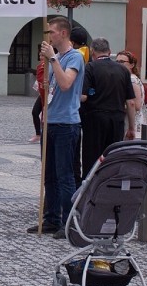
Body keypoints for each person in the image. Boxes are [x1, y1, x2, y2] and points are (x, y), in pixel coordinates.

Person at [27, 18, 85, 237]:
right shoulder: (57, 59)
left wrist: (52, 59)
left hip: (66, 123)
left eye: (51, 32)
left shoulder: (74, 58)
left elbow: (66, 83)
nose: (48, 35)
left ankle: (68, 223)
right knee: (48, 174)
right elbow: (48, 88)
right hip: (50, 121)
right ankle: (51, 217)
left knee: (64, 175)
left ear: (62, 33)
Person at [79, 37, 136, 177]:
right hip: (116, 119)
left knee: (92, 158)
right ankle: (110, 187)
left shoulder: (90, 68)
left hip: (94, 119)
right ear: (109, 51)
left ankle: (90, 189)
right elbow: (131, 102)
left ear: (93, 53)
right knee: (113, 157)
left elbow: (83, 96)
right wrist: (131, 127)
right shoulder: (123, 70)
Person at [116, 50, 145, 138]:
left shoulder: (132, 79)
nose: (118, 64)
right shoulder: (126, 78)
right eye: (117, 61)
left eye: (122, 62)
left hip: (132, 122)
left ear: (131, 65)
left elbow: (136, 105)